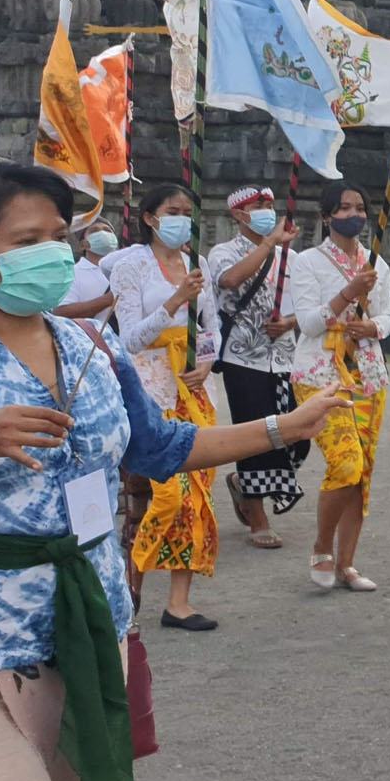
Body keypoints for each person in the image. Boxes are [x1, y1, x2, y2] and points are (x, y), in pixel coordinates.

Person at [0, 162, 349, 781]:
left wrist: (283, 425)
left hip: (87, 631)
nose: (51, 254)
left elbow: (163, 446)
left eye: (58, 237)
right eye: (26, 239)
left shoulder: (92, 347)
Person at [111, 182, 223, 632]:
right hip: (151, 387)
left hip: (191, 388)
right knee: (169, 493)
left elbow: (212, 326)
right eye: (172, 211)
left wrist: (208, 361)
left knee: (197, 496)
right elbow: (129, 338)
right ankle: (132, 575)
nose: (181, 219)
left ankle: (179, 601)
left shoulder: (196, 263)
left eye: (186, 211)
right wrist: (175, 301)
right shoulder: (130, 266)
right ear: (151, 218)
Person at [288, 183, 390, 593]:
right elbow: (310, 322)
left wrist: (374, 326)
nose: (354, 213)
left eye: (360, 206)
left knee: (361, 474)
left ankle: (348, 563)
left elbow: (387, 316)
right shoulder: (307, 262)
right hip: (320, 375)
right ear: (326, 216)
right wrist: (348, 292)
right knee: (345, 463)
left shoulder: (376, 263)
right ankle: (321, 546)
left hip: (368, 375)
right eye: (344, 207)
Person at [208, 186, 302, 550]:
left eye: (270, 205)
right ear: (239, 214)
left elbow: (306, 304)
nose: (267, 211)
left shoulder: (291, 258)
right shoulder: (223, 252)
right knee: (255, 436)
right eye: (258, 205)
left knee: (296, 433)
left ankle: (240, 484)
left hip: (284, 356)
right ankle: (256, 512)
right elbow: (230, 281)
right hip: (242, 357)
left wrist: (290, 322)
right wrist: (269, 245)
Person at [53, 217, 117, 321]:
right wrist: (107, 300)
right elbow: (61, 312)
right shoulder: (72, 273)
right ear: (82, 245)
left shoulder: (129, 269)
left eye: (107, 230)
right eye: (94, 231)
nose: (103, 234)